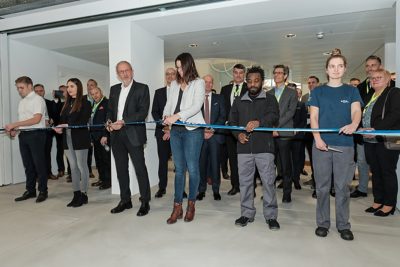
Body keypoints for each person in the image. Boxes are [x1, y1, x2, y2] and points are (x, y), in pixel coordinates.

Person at [309, 49, 362, 241]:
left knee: (342, 188)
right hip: (321, 145)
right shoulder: (318, 91)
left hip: (345, 146)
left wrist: (354, 124)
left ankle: (343, 225)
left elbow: (356, 111)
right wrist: (317, 138)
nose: (336, 69)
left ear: (345, 68)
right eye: (332, 66)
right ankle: (322, 223)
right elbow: (314, 116)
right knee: (322, 187)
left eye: (340, 66)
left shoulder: (351, 90)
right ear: (326, 69)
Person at [229, 66, 280, 230]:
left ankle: (271, 216)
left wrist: (259, 122)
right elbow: (232, 123)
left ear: (262, 82)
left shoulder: (270, 99)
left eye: (256, 80)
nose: (253, 84)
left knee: (268, 183)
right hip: (243, 149)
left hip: (264, 148)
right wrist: (238, 135)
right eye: (249, 81)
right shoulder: (238, 100)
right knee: (245, 183)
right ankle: (246, 213)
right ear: (246, 82)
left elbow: (274, 116)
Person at [163, 52, 205, 224]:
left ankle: (191, 205)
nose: (178, 71)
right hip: (176, 131)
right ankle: (177, 207)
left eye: (180, 67)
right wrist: (166, 115)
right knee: (179, 170)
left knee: (193, 169)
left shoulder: (198, 83)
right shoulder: (174, 84)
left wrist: (177, 116)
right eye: (177, 67)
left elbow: (196, 106)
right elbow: (169, 103)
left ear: (189, 65)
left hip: (193, 130)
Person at [106, 61, 151, 216]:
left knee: (140, 169)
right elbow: (110, 110)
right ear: (117, 74)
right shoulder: (113, 90)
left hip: (133, 134)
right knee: (120, 169)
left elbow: (142, 112)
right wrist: (109, 123)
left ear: (132, 71)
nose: (124, 74)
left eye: (127, 70)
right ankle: (125, 200)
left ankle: (145, 201)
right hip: (116, 135)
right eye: (121, 71)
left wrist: (123, 122)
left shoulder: (142, 88)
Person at [361, 69, 400, 216]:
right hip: (369, 140)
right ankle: (378, 201)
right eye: (372, 78)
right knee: (375, 171)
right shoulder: (370, 95)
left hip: (384, 139)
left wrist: (376, 129)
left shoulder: (394, 92)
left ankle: (389, 204)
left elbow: (396, 114)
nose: (375, 80)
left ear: (388, 79)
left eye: (379, 77)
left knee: (387, 171)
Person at [5, 76, 48, 203]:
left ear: (30, 86)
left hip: (36, 135)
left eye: (21, 87)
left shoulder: (38, 99)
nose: (19, 90)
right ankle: (30, 190)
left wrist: (15, 124)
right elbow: (24, 122)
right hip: (24, 135)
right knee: (28, 164)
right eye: (18, 88)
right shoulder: (22, 102)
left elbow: (36, 119)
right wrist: (15, 130)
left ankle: (43, 191)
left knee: (39, 164)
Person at [54, 78, 92, 207]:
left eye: (72, 86)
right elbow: (62, 120)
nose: (69, 89)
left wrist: (66, 124)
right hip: (67, 139)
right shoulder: (66, 104)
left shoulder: (85, 103)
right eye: (68, 86)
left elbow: (83, 121)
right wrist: (59, 127)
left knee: (82, 166)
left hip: (80, 139)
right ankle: (76, 194)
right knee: (73, 167)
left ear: (78, 87)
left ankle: (84, 194)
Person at [268, 64, 298, 203]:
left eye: (280, 73)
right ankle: (269, 192)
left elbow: (290, 113)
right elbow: (266, 113)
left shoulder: (292, 93)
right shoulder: (268, 93)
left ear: (285, 76)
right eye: (275, 73)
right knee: (269, 165)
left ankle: (287, 193)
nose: (276, 75)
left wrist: (276, 127)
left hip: (285, 133)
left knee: (286, 166)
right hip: (269, 134)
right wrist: (271, 128)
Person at [197, 74, 226, 201]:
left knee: (215, 164)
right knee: (201, 165)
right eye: (205, 82)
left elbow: (223, 116)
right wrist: (203, 130)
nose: (208, 84)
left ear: (212, 84)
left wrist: (212, 130)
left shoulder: (219, 98)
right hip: (200, 137)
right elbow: (193, 116)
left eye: (210, 82)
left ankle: (216, 190)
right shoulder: (196, 99)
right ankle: (201, 190)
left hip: (215, 136)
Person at [220, 64, 247, 195]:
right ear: (233, 73)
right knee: (233, 160)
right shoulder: (225, 89)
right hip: (229, 131)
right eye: (236, 72)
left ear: (244, 74)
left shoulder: (249, 88)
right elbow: (222, 108)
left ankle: (248, 188)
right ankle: (235, 186)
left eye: (241, 73)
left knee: (246, 161)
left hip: (244, 131)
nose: (238, 75)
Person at [151, 67, 176, 198]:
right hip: (162, 132)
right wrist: (164, 126)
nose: (170, 76)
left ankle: (180, 189)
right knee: (162, 161)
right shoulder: (159, 92)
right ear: (165, 76)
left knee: (179, 162)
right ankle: (162, 188)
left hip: (178, 132)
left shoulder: (182, 92)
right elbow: (154, 112)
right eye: (168, 74)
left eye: (173, 74)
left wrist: (172, 128)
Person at [33, 83, 58, 180]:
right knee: (38, 155)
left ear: (43, 91)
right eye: (37, 91)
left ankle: (48, 173)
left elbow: (55, 115)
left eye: (41, 91)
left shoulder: (50, 102)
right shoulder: (32, 104)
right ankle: (38, 176)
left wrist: (52, 120)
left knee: (47, 153)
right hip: (36, 133)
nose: (39, 93)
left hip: (48, 132)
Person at [89, 86, 111, 190]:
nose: (95, 96)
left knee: (105, 160)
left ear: (101, 92)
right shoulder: (93, 104)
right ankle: (101, 179)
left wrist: (105, 134)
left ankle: (108, 181)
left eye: (96, 93)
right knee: (98, 160)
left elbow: (108, 119)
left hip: (103, 136)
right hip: (95, 136)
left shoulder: (107, 103)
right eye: (92, 94)